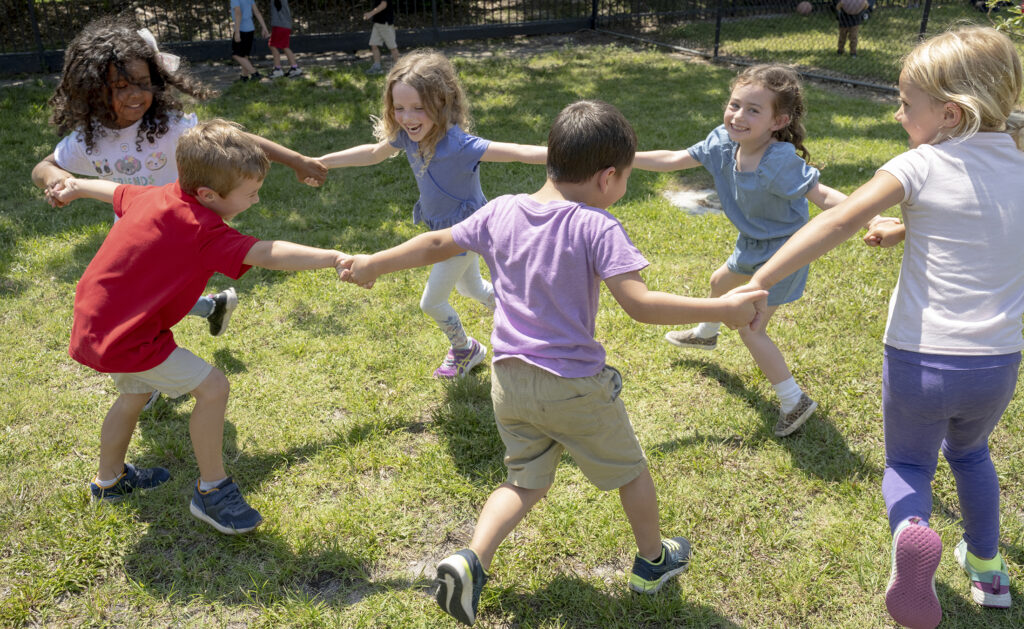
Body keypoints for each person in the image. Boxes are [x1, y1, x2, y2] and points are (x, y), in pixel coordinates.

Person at [339, 100, 767, 626]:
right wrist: (721, 309)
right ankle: (654, 561)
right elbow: (640, 304)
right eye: (626, 179)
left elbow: (435, 241)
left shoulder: (502, 210)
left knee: (524, 482)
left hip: (508, 380)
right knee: (630, 471)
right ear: (608, 178)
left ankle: (470, 560)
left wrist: (373, 263)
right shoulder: (598, 226)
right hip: (572, 386)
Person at [733, 26, 1024, 629]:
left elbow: (838, 220)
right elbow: (982, 227)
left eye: (905, 104)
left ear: (947, 114)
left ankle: (913, 533)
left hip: (921, 358)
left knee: (909, 467)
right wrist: (904, 229)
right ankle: (990, 571)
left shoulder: (919, 163)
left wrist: (762, 277)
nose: (897, 115)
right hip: (997, 363)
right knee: (972, 453)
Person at [52, 119, 349, 535]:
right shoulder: (205, 232)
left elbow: (115, 192)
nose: (257, 200)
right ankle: (212, 490)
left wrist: (77, 186)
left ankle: (109, 482)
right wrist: (332, 257)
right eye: (250, 194)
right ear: (208, 195)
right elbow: (268, 252)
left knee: (135, 393)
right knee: (213, 388)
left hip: (101, 319)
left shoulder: (161, 195)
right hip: (128, 335)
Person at [30, 16, 327, 340]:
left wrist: (296, 160)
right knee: (142, 299)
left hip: (183, 233)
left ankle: (148, 373)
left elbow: (234, 144)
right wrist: (55, 180)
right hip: (133, 236)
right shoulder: (89, 139)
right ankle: (210, 311)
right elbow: (44, 166)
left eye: (143, 83)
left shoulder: (168, 128)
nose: (135, 94)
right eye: (120, 86)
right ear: (91, 89)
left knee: (139, 303)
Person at [632, 64, 847, 437]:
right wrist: (625, 158)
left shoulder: (779, 160)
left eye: (753, 110)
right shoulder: (721, 142)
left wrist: (870, 215)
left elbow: (823, 195)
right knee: (720, 281)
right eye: (735, 105)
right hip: (751, 244)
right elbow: (673, 159)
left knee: (752, 329)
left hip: (785, 253)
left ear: (777, 121)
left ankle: (795, 401)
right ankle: (707, 333)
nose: (738, 116)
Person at [319, 49, 547, 379]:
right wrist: (322, 161)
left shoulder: (460, 145)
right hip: (443, 231)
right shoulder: (406, 137)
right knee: (472, 289)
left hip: (463, 234)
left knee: (431, 302)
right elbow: (371, 153)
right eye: (399, 108)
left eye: (418, 108)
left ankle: (466, 349)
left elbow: (521, 153)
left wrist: (573, 153)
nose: (407, 117)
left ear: (441, 103)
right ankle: (532, 322)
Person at [231, 0, 269, 81]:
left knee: (236, 54)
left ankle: (255, 74)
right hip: (250, 29)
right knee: (244, 55)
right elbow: (257, 12)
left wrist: (237, 32)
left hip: (242, 29)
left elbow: (238, 13)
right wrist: (264, 28)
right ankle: (244, 77)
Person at [268, 0, 303, 78]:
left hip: (279, 25)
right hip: (285, 25)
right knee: (285, 46)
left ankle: (277, 69)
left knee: (272, 45)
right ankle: (294, 68)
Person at [363, 0, 399, 75]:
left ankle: (400, 68)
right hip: (378, 24)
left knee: (392, 47)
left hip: (385, 24)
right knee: (374, 45)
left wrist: (370, 14)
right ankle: (377, 67)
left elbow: (383, 4)